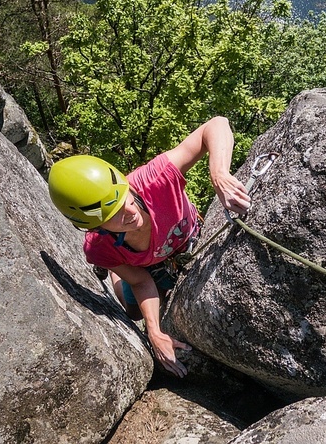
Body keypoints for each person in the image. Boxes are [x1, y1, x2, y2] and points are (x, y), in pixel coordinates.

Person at [48, 116, 250, 377]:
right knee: (132, 313)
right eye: (113, 216)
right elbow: (142, 282)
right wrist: (154, 332)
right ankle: (114, 273)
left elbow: (217, 124)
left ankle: (119, 269)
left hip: (185, 238)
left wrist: (219, 174)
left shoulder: (153, 180)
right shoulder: (99, 247)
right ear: (95, 227)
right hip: (144, 266)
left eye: (124, 198)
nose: (129, 211)